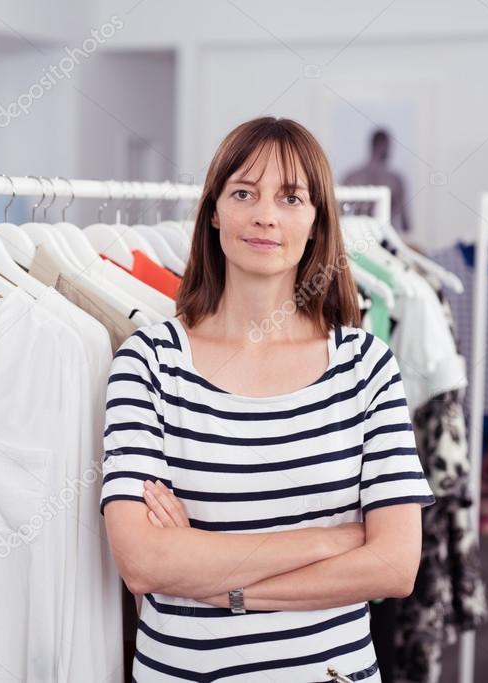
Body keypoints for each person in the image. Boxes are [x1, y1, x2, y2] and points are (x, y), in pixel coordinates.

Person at [100, 116, 435, 682]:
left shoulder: (365, 366)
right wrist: (332, 541)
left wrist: (221, 584)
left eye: (290, 197)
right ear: (214, 211)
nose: (265, 215)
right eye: (243, 193)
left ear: (316, 219)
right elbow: (143, 562)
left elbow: (394, 565)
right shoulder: (149, 361)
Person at [342, 129, 411, 234]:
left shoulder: (351, 177)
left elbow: (339, 215)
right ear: (386, 147)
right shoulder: (395, 180)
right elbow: (405, 223)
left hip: (355, 237)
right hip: (385, 239)